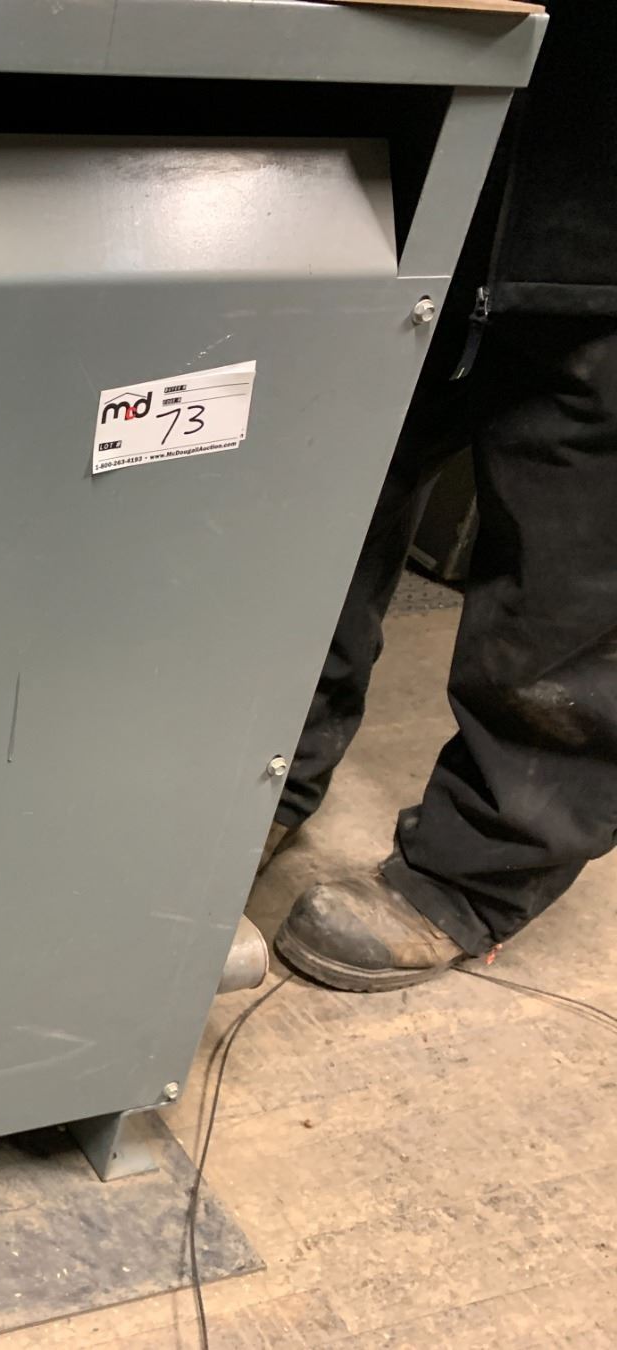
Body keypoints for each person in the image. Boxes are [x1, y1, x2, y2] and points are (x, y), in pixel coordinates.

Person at [267, 0, 617, 993]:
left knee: (575, 577)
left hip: (597, 209)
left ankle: (477, 873)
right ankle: (262, 779)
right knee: (307, 520)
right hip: (398, 160)